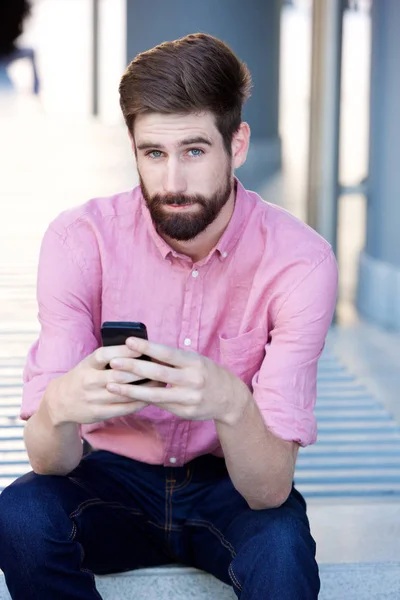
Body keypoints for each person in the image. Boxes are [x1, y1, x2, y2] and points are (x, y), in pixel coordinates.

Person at [0, 33, 338, 599]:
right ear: (132, 147)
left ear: (238, 144)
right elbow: (51, 462)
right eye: (153, 153)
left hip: (229, 482)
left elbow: (269, 490)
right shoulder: (80, 241)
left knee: (282, 551)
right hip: (109, 477)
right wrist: (59, 406)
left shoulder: (300, 263)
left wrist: (230, 402)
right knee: (21, 515)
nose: (173, 182)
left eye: (195, 151)